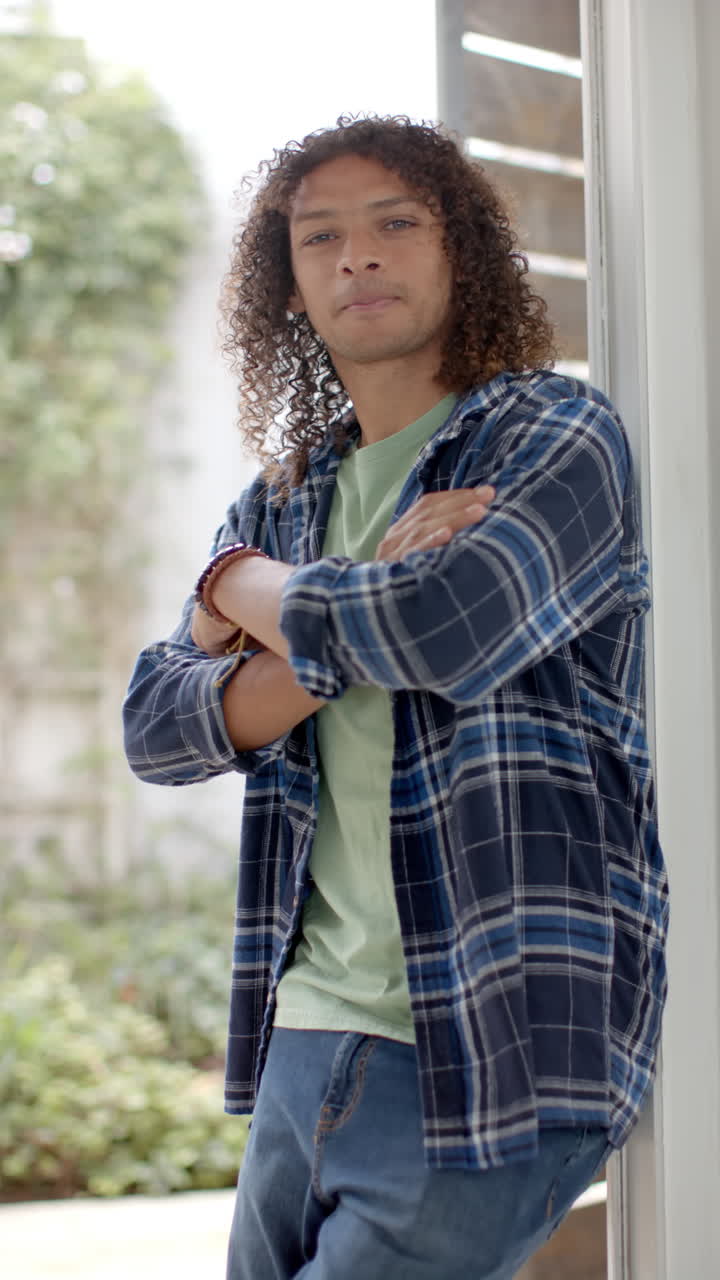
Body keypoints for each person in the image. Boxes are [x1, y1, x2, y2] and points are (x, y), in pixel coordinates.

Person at [123, 115, 669, 1279]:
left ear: (459, 251)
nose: (356, 256)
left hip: (490, 1035)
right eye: (319, 237)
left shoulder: (550, 436)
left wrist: (239, 595)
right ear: (290, 288)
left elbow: (438, 630)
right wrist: (352, 593)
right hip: (305, 1033)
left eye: (394, 223)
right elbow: (158, 725)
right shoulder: (281, 498)